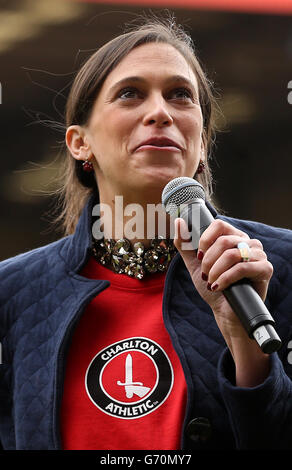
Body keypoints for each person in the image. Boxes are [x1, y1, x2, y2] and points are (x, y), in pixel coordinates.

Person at [0, 15, 292, 451]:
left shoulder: (278, 267)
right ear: (80, 143)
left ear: (202, 141)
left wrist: (247, 350)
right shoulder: (12, 293)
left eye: (180, 96)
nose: (160, 112)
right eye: (130, 94)